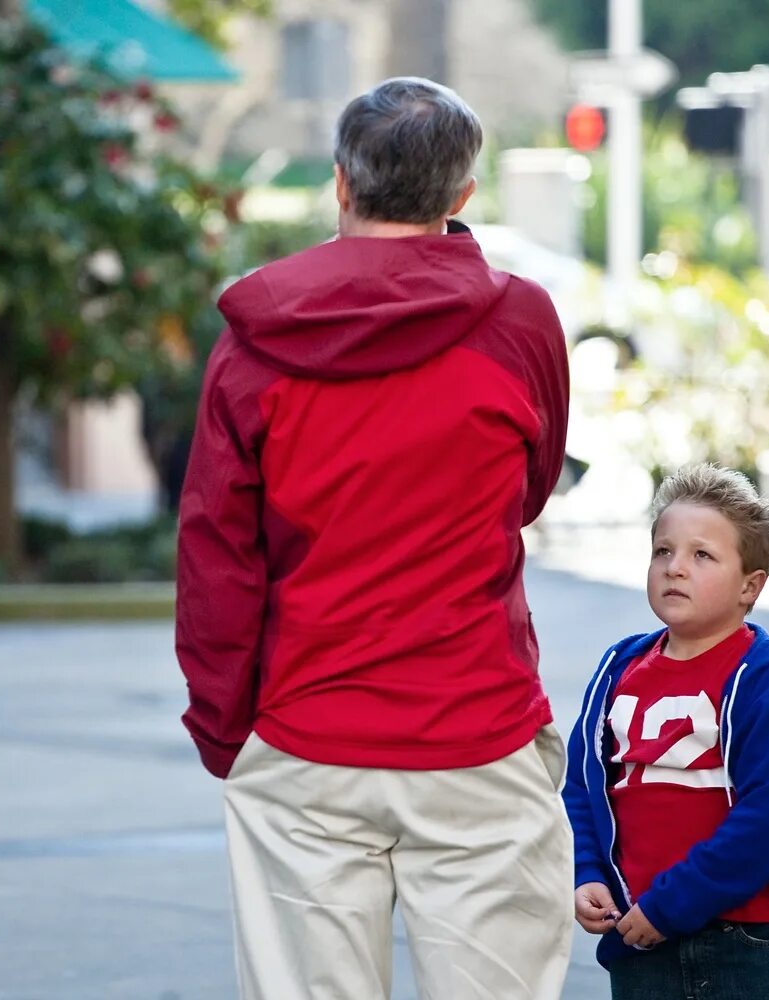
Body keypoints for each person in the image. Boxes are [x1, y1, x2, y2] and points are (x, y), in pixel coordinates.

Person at [175, 77, 573, 1000]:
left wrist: (230, 731)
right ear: (462, 196)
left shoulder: (256, 338)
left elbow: (216, 557)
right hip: (477, 728)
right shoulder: (519, 321)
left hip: (306, 733)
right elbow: (531, 490)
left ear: (341, 186)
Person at [563, 465, 769, 1000]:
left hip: (752, 944)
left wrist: (672, 904)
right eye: (662, 551)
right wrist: (586, 874)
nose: (675, 568)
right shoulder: (617, 671)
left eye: (702, 556)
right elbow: (582, 788)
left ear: (750, 586)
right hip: (640, 940)